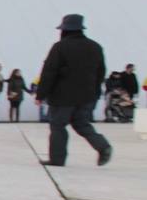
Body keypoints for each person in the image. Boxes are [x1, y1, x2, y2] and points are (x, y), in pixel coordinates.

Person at [36, 14, 111, 167]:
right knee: (82, 124)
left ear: (64, 30)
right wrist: (95, 94)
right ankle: (103, 146)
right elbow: (100, 73)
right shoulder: (95, 47)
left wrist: (41, 94)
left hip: (62, 97)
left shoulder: (60, 47)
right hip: (86, 96)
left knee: (58, 126)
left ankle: (57, 159)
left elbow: (49, 72)